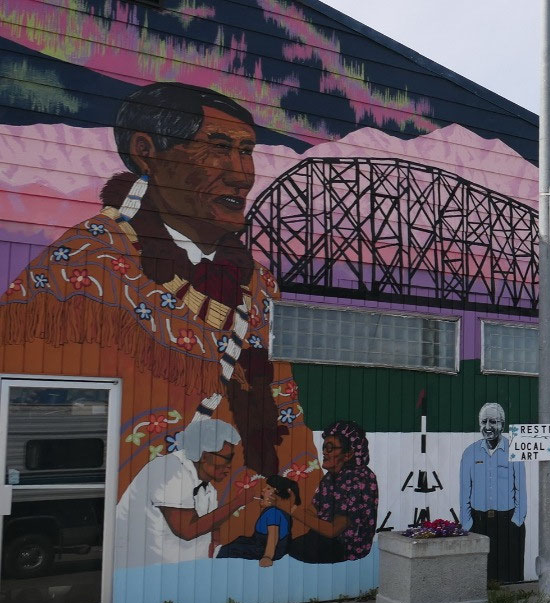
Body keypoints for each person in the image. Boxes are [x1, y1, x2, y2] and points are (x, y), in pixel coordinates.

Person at [1, 82, 317, 553]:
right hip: (137, 534)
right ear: (146, 151)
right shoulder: (85, 267)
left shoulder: (259, 286)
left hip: (237, 533)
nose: (241, 175)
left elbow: (286, 411)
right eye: (218, 148)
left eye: (246, 151)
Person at [114, 417, 251, 568]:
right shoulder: (169, 470)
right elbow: (187, 530)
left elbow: (212, 526)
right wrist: (238, 502)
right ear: (205, 456)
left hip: (182, 571)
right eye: (227, 458)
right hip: (146, 569)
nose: (230, 465)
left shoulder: (208, 488)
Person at [288, 420, 379, 564]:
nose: (324, 452)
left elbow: (333, 530)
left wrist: (292, 510)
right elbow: (312, 510)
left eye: (330, 448)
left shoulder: (358, 479)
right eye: (324, 447)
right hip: (324, 538)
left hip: (345, 547)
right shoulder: (331, 477)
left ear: (348, 454)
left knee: (290, 547)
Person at [458, 402, 527, 582]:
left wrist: (516, 521)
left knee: (510, 577)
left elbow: (520, 489)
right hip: (478, 523)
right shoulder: (469, 453)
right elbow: (465, 492)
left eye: (493, 422)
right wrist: (468, 524)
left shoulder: (514, 451)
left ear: (502, 425)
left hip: (508, 523)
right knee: (479, 577)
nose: (488, 427)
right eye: (484, 422)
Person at [218, 474, 300, 566]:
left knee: (226, 551)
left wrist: (267, 557)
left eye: (268, 489)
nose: (263, 490)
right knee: (239, 541)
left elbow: (273, 536)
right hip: (261, 545)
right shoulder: (280, 512)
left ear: (277, 495)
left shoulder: (273, 512)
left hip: (263, 549)